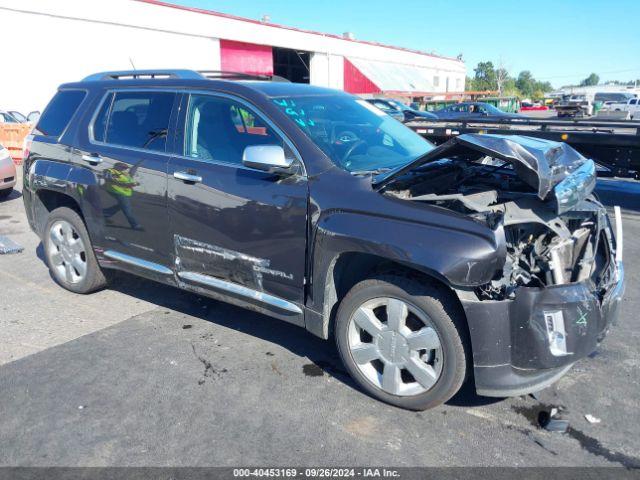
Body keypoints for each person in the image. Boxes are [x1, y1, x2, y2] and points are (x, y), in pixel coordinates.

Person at [102, 162, 142, 230]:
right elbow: (108, 178)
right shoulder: (110, 171)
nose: (124, 169)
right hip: (116, 191)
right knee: (127, 209)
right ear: (116, 166)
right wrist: (123, 184)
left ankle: (103, 214)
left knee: (121, 206)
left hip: (125, 193)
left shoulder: (125, 174)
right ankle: (135, 225)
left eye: (125, 168)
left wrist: (139, 163)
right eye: (123, 167)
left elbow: (133, 170)